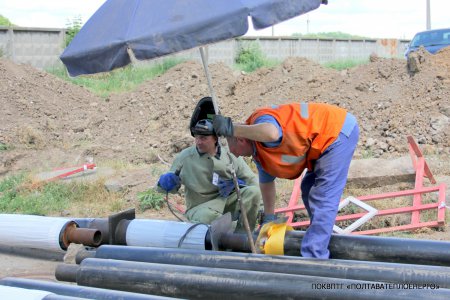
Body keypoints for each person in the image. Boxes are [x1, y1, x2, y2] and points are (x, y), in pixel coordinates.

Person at [213, 102, 359, 258]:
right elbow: (266, 183)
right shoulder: (259, 153)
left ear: (241, 140)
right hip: (321, 142)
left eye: (232, 148)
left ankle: (314, 258)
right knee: (308, 189)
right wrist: (269, 219)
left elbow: (272, 133)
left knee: (323, 196)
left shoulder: (261, 121)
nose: (235, 155)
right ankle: (321, 240)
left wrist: (232, 128)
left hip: (336, 131)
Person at [157, 119, 261, 231]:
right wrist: (166, 183)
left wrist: (238, 185)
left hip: (226, 202)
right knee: (210, 217)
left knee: (253, 192)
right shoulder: (185, 157)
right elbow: (165, 187)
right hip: (200, 208)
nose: (198, 142)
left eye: (203, 138)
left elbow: (251, 180)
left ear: (215, 139)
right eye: (196, 137)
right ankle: (227, 239)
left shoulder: (230, 154)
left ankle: (244, 236)